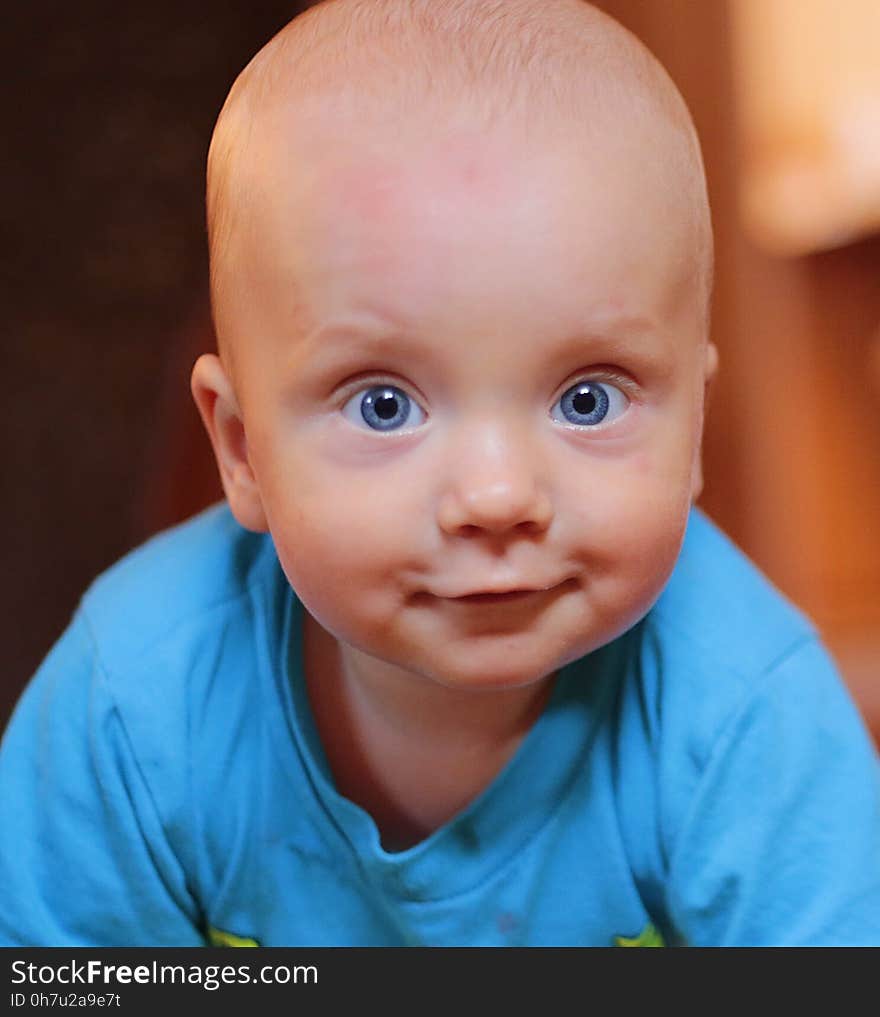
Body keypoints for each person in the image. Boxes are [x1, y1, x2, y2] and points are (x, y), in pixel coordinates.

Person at [2, 0, 879, 948]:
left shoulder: (750, 716)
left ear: (695, 430)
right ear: (242, 451)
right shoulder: (132, 707)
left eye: (588, 399)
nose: (498, 498)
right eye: (384, 404)